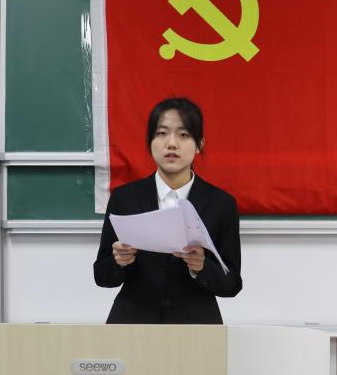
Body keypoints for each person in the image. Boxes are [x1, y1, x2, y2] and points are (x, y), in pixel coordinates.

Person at [94, 97, 242, 323]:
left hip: (196, 327)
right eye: (162, 133)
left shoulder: (221, 203)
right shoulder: (125, 198)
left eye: (183, 135)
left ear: (199, 144)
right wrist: (119, 261)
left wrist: (202, 267)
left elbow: (232, 284)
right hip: (132, 324)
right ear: (150, 141)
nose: (171, 144)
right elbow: (101, 276)